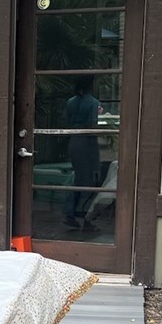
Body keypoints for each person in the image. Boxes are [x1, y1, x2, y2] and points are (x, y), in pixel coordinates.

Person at [64, 75, 102, 232]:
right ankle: (85, 215)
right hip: (87, 143)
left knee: (78, 178)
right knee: (92, 179)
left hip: (74, 141)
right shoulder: (93, 102)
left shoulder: (70, 102)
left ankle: (70, 213)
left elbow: (66, 121)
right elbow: (93, 124)